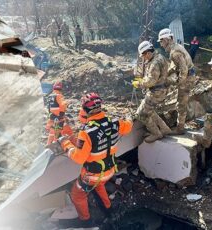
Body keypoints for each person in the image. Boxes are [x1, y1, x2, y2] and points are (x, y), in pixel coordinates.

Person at [59, 92, 132, 226]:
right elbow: (128, 126)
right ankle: (109, 211)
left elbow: (79, 158)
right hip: (109, 171)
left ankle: (85, 221)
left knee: (77, 195)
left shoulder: (86, 132)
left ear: (85, 110)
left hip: (91, 176)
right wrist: (128, 117)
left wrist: (65, 143)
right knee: (99, 185)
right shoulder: (115, 122)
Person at [132, 41, 172, 142]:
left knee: (141, 114)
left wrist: (139, 83)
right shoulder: (159, 57)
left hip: (155, 92)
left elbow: (151, 81)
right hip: (161, 90)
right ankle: (165, 129)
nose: (143, 58)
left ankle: (156, 133)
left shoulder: (154, 63)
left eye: (143, 55)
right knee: (150, 110)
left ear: (148, 52)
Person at [158, 28, 195, 135]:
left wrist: (179, 83)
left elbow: (183, 70)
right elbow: (174, 66)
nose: (161, 44)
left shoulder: (175, 52)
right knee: (179, 99)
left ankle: (180, 128)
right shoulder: (175, 48)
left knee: (181, 103)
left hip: (187, 78)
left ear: (167, 40)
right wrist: (165, 74)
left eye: (161, 41)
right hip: (188, 76)